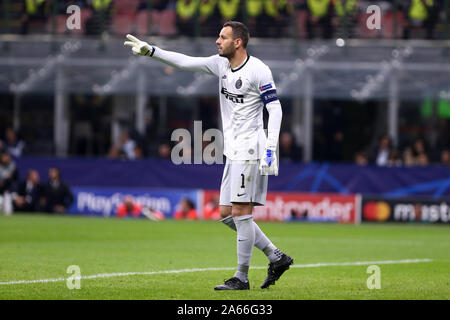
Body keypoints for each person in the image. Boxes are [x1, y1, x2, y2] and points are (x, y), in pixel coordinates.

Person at [124, 20, 293, 290]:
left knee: (241, 211)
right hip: (233, 150)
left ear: (237, 42)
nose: (217, 41)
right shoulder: (221, 64)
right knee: (226, 213)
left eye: (223, 37)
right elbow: (185, 62)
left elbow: (275, 109)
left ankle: (241, 277)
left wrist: (271, 148)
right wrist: (152, 51)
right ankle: (276, 256)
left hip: (251, 149)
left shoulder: (259, 70)